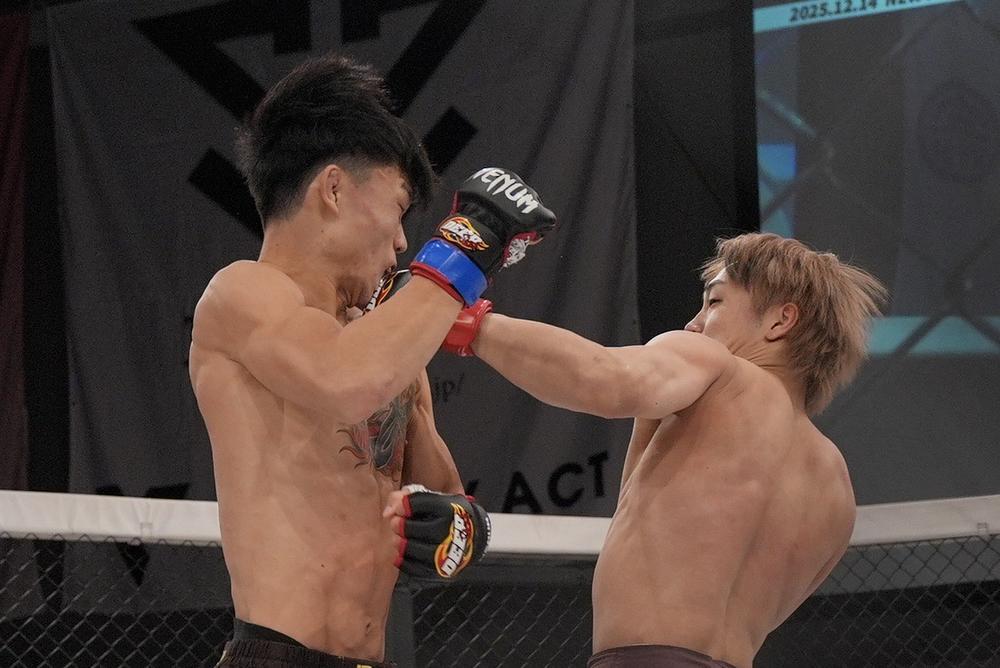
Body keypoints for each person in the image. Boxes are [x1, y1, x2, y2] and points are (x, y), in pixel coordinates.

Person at [189, 53, 555, 667]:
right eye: (398, 208)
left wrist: (459, 529)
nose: (403, 241)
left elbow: (446, 493)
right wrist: (466, 248)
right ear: (333, 189)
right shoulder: (243, 294)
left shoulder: (385, 346)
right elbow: (344, 379)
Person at [416, 232, 886, 667]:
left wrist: (461, 320)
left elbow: (600, 378)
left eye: (715, 302)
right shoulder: (836, 485)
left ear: (781, 320)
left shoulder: (718, 370)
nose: (694, 323)